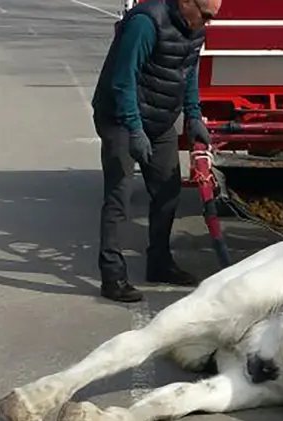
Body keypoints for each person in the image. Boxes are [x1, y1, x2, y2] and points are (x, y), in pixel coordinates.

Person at [91, 0, 221, 303]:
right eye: (206, 15)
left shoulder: (195, 27)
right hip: (119, 117)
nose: (208, 22)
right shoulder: (146, 23)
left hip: (159, 119)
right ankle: (112, 276)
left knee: (167, 190)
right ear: (186, 2)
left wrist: (193, 116)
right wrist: (135, 130)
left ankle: (159, 263)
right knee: (119, 196)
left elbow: (188, 72)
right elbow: (123, 79)